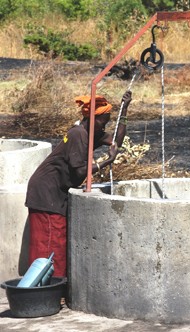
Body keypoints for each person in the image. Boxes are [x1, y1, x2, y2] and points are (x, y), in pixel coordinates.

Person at [25, 90, 132, 277]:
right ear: (92, 118)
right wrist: (106, 161)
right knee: (50, 241)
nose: (104, 126)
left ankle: (51, 286)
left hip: (53, 192)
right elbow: (80, 170)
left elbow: (116, 141)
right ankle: (47, 287)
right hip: (47, 191)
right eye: (103, 122)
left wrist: (124, 111)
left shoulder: (91, 133)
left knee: (55, 240)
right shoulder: (78, 134)